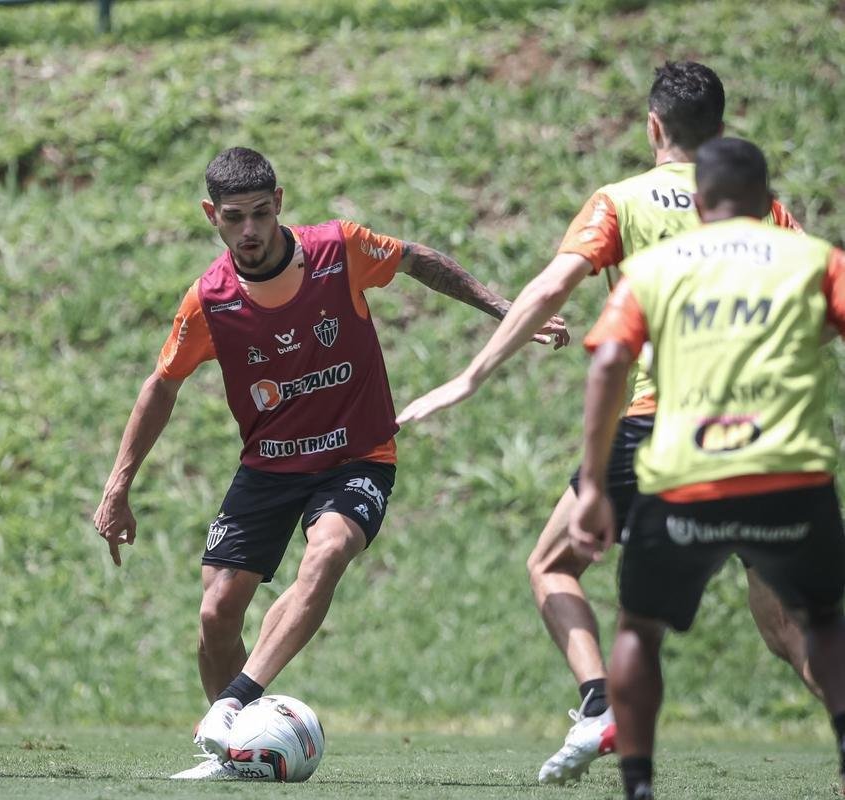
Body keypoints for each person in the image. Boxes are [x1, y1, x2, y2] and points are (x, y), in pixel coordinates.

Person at [395, 62, 813, 784]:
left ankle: (597, 705)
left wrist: (468, 377)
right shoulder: (761, 206)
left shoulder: (619, 201)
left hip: (659, 425)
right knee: (784, 624)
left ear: (653, 126)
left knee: (551, 564)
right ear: (720, 127)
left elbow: (553, 284)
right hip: (757, 432)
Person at [93, 146, 566, 780]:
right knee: (215, 612)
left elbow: (420, 260)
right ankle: (236, 750)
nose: (252, 230)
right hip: (269, 466)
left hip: (357, 456)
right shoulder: (210, 300)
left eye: (262, 213)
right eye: (235, 218)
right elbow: (161, 385)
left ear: (279, 203)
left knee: (329, 549)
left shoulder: (338, 251)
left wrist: (508, 311)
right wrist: (118, 486)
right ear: (213, 216)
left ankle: (234, 704)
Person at [572, 137, 845, 800]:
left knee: (639, 626)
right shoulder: (815, 259)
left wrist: (591, 482)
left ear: (698, 203)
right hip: (789, 480)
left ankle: (637, 784)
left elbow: (607, 363)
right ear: (767, 201)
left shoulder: (657, 266)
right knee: (825, 620)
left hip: (683, 479)